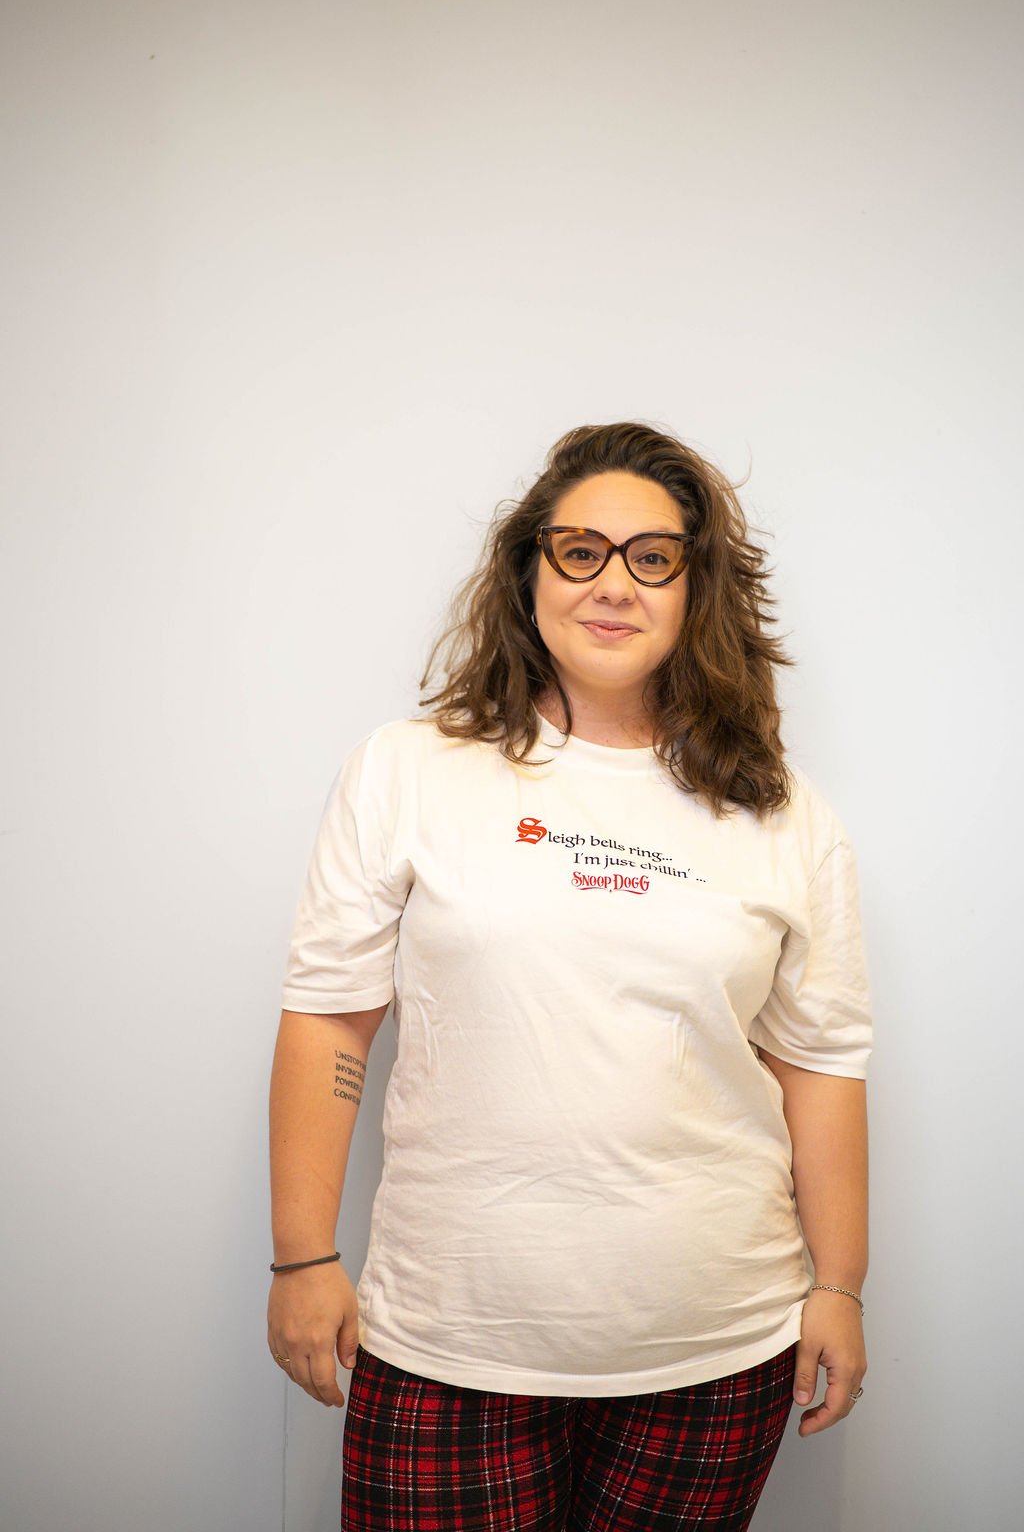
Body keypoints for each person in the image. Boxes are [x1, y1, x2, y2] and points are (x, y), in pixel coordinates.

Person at [266, 421, 872, 1532]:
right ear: (528, 569)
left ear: (698, 588)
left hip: (713, 1346)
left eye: (653, 557)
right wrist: (303, 1255)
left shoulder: (782, 815)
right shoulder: (408, 769)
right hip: (450, 1338)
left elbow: (821, 1063)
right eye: (578, 549)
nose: (613, 583)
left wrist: (838, 1284)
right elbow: (331, 1022)